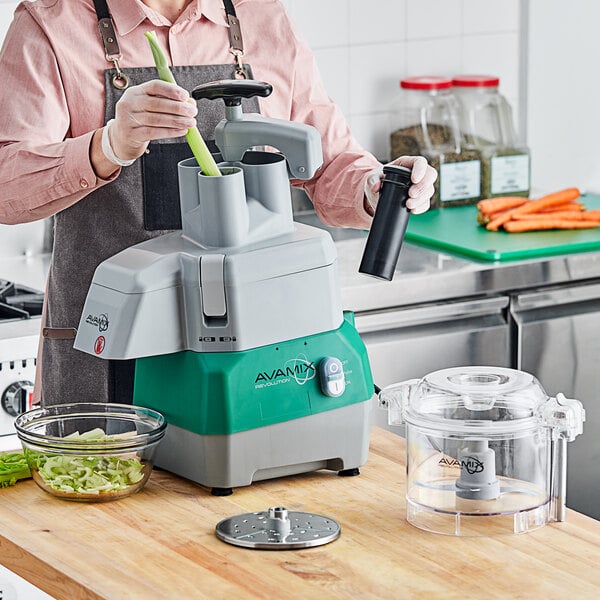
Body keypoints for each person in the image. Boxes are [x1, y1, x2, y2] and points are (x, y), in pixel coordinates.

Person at [0, 0, 437, 407]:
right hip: (111, 353)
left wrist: (375, 187)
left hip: (252, 350)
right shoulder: (52, 23)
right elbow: (6, 186)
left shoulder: (260, 16)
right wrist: (109, 145)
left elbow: (328, 162)